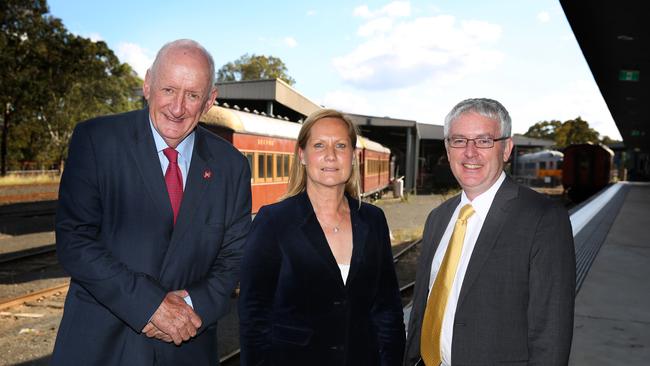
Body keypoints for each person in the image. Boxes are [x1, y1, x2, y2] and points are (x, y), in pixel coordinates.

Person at [52, 39, 251, 365]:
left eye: (193, 95)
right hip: (100, 348)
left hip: (187, 346)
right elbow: (75, 240)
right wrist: (151, 305)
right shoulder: (97, 141)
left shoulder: (232, 167)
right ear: (147, 84)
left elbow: (233, 261)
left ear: (209, 101)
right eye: (169, 90)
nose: (177, 108)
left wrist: (188, 307)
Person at [404, 98, 575, 365]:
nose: (470, 152)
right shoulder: (438, 218)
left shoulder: (544, 219)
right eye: (459, 140)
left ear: (506, 149)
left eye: (484, 141)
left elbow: (550, 333)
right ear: (448, 150)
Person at [238, 109, 405, 365]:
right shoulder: (273, 221)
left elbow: (387, 310)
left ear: (352, 156)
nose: (331, 155)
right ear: (302, 155)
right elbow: (255, 317)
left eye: (340, 145)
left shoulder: (373, 220)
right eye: (319, 145)